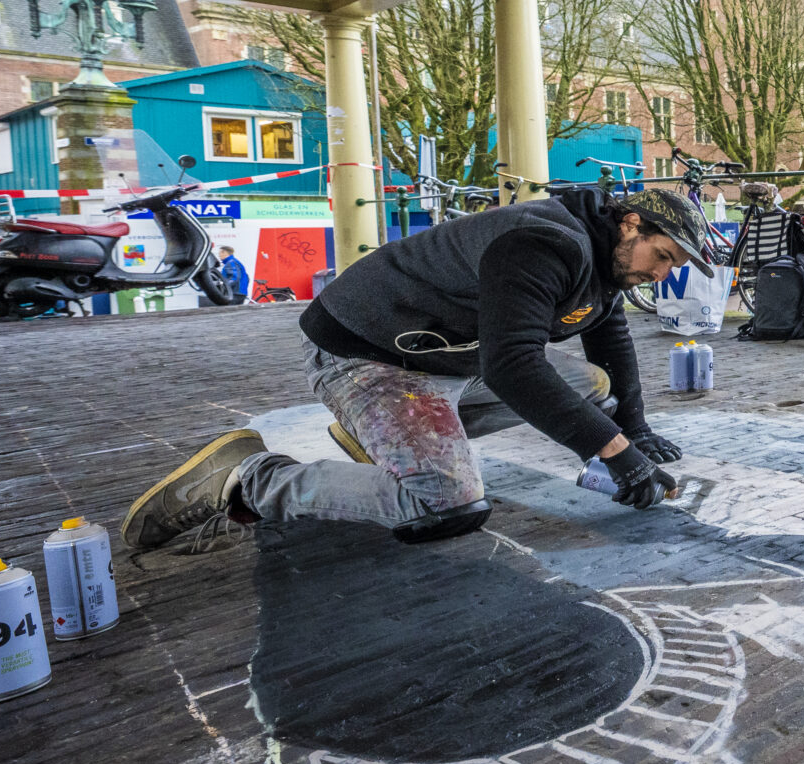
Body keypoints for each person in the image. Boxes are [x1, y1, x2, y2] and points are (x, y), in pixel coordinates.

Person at [120, 186, 713, 553]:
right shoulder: (544, 242)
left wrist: (631, 428)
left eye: (674, 268)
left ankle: (383, 439)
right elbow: (512, 367)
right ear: (631, 223)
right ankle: (248, 479)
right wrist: (612, 451)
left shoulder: (606, 267)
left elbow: (608, 341)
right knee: (444, 504)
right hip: (366, 354)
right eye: (662, 257)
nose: (662, 275)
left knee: (594, 386)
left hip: (439, 358)